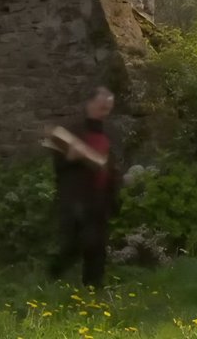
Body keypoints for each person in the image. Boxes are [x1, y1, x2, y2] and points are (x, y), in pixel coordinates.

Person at [48, 86, 121, 288]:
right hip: (76, 199)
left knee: (97, 247)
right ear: (90, 103)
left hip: (100, 200)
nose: (107, 105)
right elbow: (58, 164)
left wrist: (117, 186)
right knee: (73, 247)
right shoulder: (73, 130)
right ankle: (51, 277)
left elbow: (111, 167)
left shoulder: (110, 133)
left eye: (110, 102)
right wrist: (70, 158)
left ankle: (93, 291)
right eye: (103, 100)